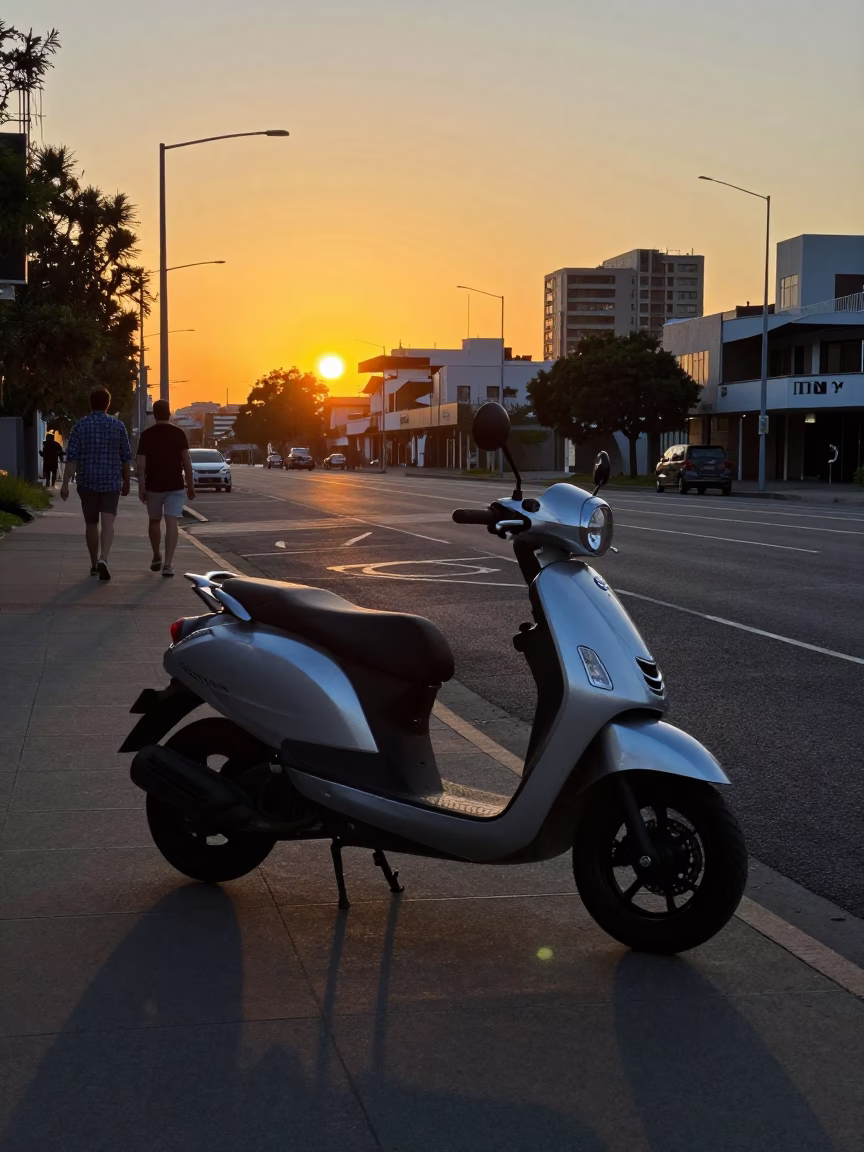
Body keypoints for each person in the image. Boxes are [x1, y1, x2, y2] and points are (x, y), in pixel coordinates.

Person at [59, 388, 132, 581]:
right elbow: (126, 457)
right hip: (111, 481)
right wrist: (126, 482)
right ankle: (104, 558)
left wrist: (65, 484)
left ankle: (93, 564)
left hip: (87, 481)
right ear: (108, 404)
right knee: (108, 522)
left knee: (91, 523)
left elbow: (71, 458)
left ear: (90, 403)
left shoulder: (80, 426)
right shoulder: (118, 426)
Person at [136, 398, 195, 577]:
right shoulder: (179, 433)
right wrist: (190, 486)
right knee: (172, 522)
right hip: (175, 485)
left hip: (154, 485)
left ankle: (156, 555)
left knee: (154, 521)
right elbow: (187, 462)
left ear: (154, 415)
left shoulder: (147, 435)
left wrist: (141, 487)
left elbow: (140, 465)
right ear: (169, 414)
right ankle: (168, 564)